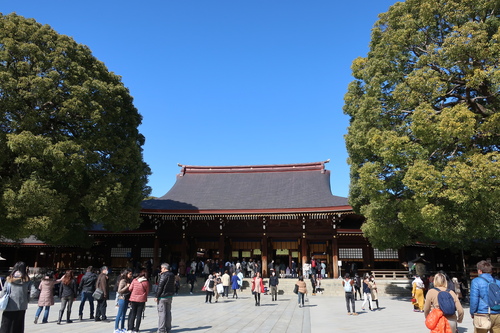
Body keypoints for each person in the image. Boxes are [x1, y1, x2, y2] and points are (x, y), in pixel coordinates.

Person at [470, 260, 500, 333]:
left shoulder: (476, 281)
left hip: (482, 314)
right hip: (497, 313)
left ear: (480, 271)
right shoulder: (498, 282)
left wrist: (472, 312)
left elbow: (474, 299)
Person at [0, 261, 31, 333]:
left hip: (9, 304)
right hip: (22, 305)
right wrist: (27, 298)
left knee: (6, 324)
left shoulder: (9, 279)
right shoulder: (27, 280)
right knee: (18, 324)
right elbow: (33, 292)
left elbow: (3, 292)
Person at [155, 263, 175, 333]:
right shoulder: (172, 275)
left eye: (161, 268)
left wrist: (157, 296)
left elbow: (160, 286)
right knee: (168, 312)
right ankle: (168, 328)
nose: (161, 269)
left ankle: (161, 329)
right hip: (169, 295)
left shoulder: (164, 275)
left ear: (164, 268)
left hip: (162, 296)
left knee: (162, 313)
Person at [115, 268, 132, 333]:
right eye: (130, 274)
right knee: (119, 314)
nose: (131, 275)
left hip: (126, 298)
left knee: (124, 314)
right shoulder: (123, 281)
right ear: (126, 274)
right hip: (122, 299)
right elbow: (119, 291)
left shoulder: (128, 280)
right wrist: (126, 286)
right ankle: (116, 328)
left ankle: (122, 327)